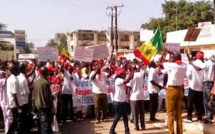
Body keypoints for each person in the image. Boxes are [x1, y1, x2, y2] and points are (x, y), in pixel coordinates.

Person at [161, 52, 187, 134]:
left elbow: (159, 63)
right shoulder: (184, 65)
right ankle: (180, 132)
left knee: (170, 113)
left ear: (174, 59)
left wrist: (163, 54)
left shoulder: (172, 65)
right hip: (180, 89)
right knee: (179, 113)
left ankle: (171, 132)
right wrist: (172, 53)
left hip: (172, 89)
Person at [109, 66, 134, 134]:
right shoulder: (118, 80)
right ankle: (112, 129)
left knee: (125, 116)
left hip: (122, 101)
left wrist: (133, 70)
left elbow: (130, 78)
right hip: (118, 101)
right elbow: (127, 80)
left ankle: (127, 130)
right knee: (118, 116)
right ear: (121, 74)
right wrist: (130, 72)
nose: (125, 75)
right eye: (124, 74)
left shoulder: (121, 79)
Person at [183, 52, 204, 123]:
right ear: (202, 57)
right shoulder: (204, 64)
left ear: (196, 56)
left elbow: (188, 75)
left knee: (190, 102)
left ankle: (189, 118)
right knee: (200, 103)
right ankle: (199, 117)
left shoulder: (191, 65)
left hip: (193, 86)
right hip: (201, 87)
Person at [32, 66, 54, 134]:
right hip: (45, 106)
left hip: (38, 105)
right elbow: (47, 97)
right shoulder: (45, 83)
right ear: (45, 73)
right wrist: (52, 97)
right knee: (45, 125)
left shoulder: (36, 82)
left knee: (42, 124)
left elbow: (34, 95)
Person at [127, 61, 146, 130]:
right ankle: (143, 126)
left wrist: (128, 97)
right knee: (141, 112)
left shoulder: (130, 76)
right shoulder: (140, 74)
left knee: (135, 113)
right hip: (141, 95)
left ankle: (137, 126)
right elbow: (143, 75)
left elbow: (129, 88)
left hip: (134, 97)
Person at [6, 65, 24, 134]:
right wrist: (18, 107)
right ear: (14, 71)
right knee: (18, 122)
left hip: (15, 104)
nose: (19, 71)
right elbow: (14, 94)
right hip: (15, 105)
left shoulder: (12, 78)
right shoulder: (13, 80)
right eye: (17, 70)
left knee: (16, 121)